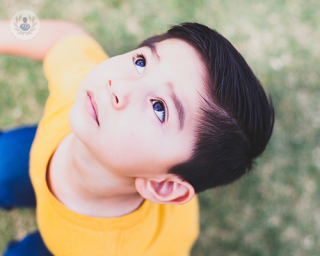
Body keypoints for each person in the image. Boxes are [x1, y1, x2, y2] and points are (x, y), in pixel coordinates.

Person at [0, 20, 274, 256]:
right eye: (141, 62)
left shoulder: (124, 250)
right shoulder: (80, 91)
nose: (118, 86)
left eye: (159, 108)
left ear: (164, 186)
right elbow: (64, 37)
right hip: (43, 153)